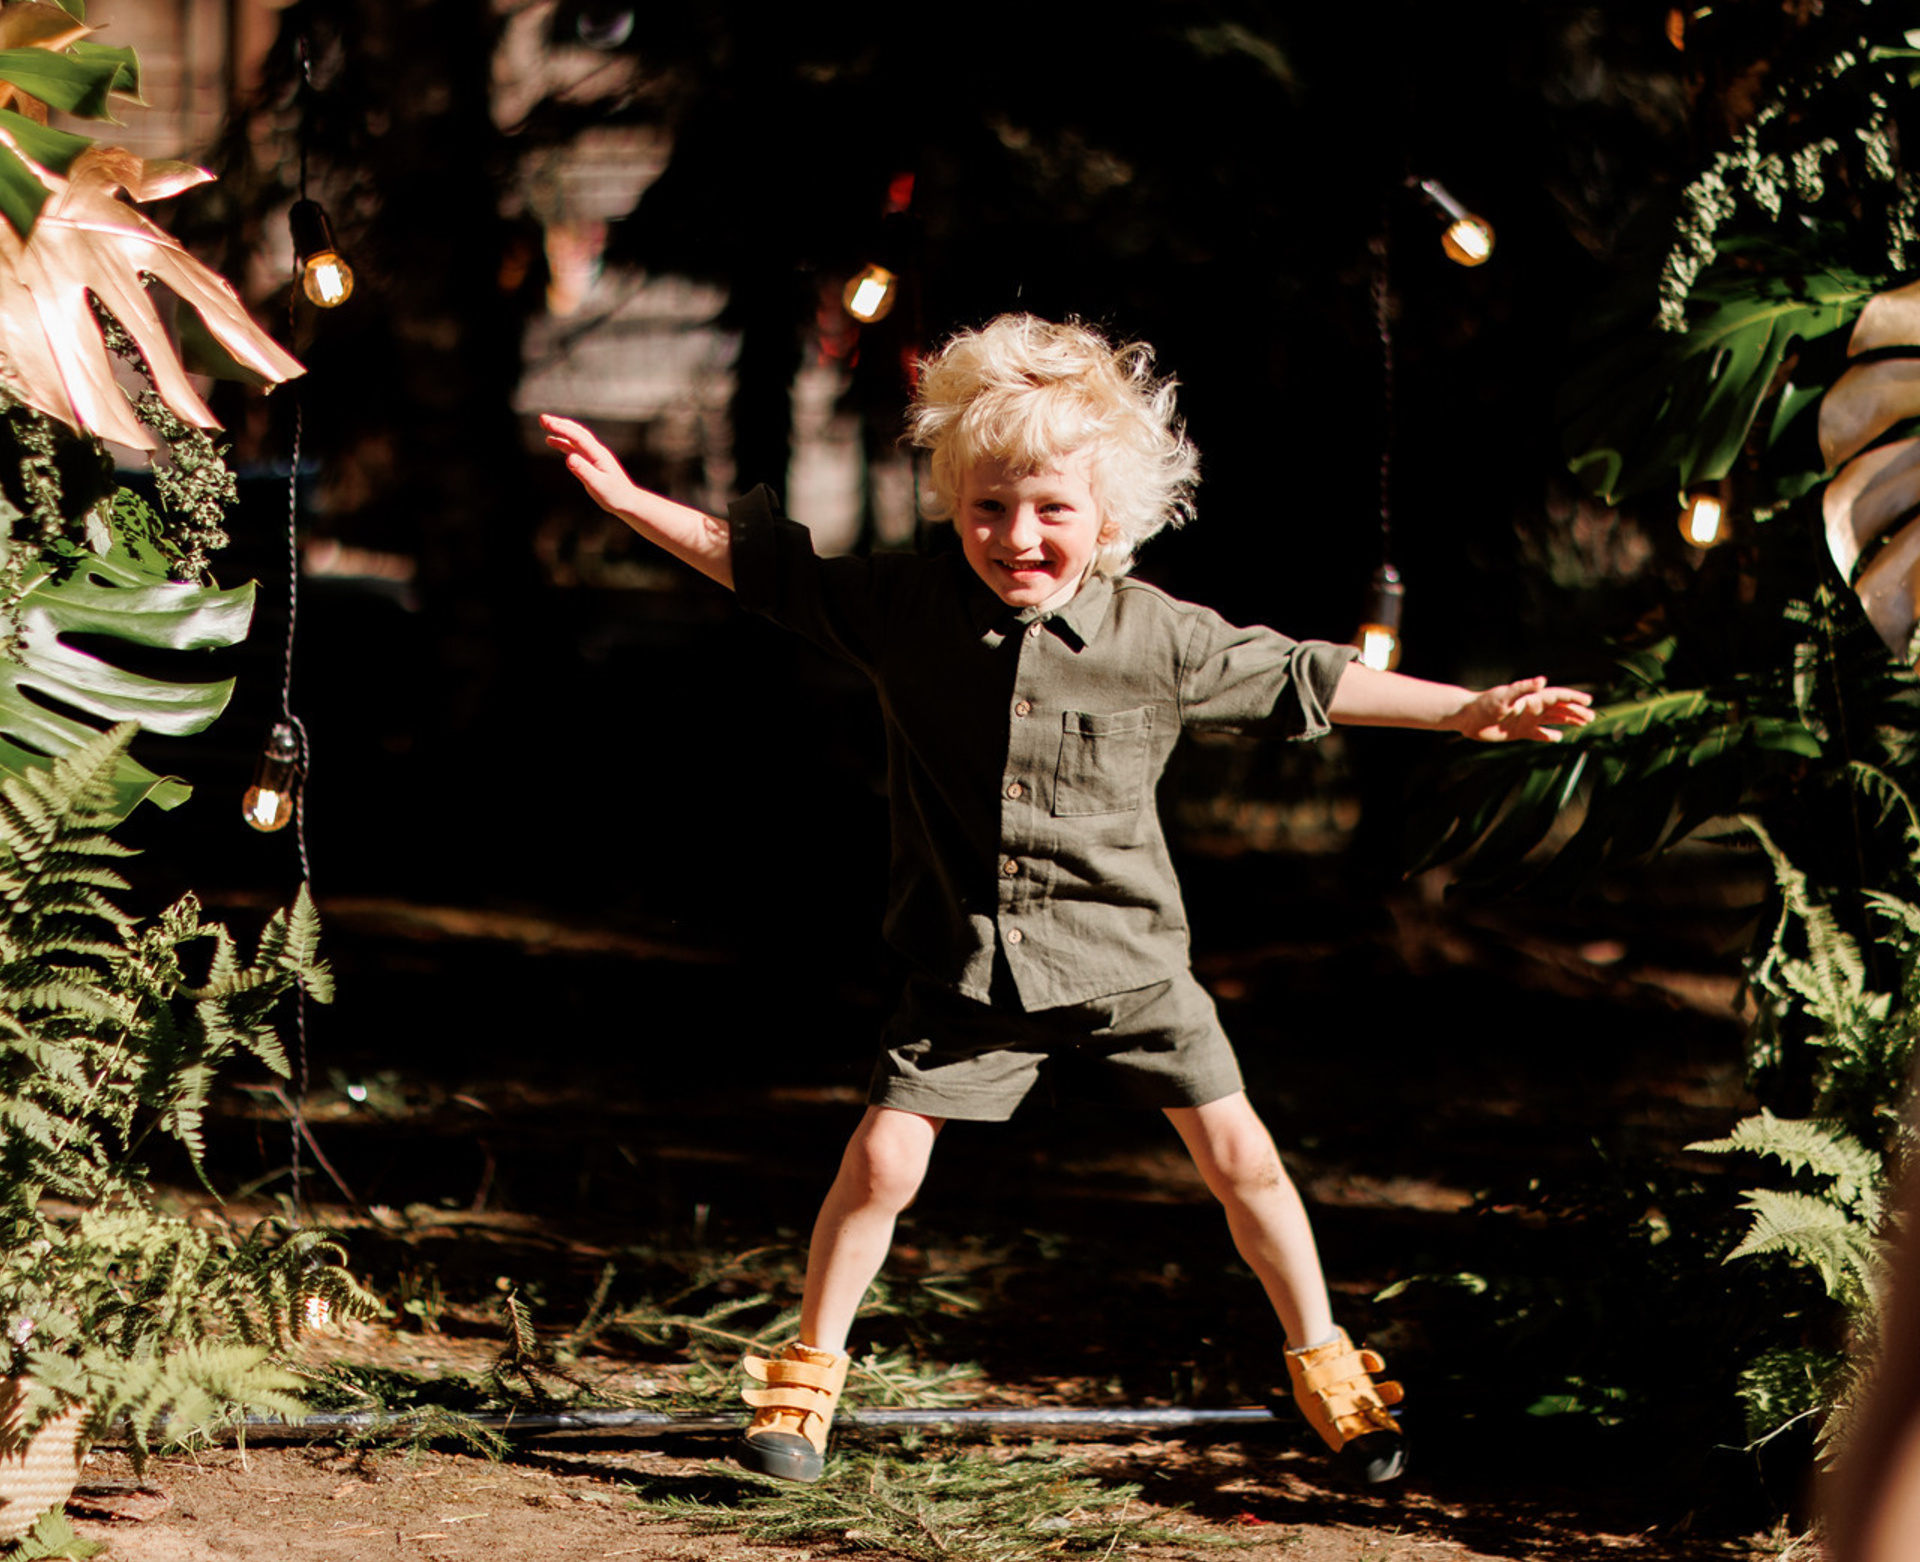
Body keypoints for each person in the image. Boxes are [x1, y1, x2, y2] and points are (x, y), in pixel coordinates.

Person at [543, 313, 1593, 1488]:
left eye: (1051, 508)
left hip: (1131, 961)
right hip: (970, 964)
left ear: (1112, 516)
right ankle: (803, 1379)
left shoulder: (1160, 637)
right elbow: (774, 572)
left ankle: (1327, 1365)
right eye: (991, 507)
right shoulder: (909, 611)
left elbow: (1310, 675)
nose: (1018, 536)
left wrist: (1466, 711)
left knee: (1242, 1160)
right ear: (953, 501)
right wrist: (633, 503)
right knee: (885, 1163)